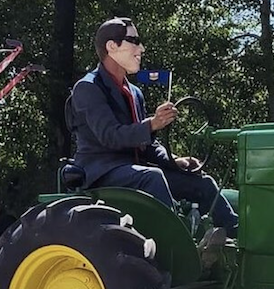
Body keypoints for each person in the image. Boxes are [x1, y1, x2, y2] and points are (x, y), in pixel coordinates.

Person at [67, 17, 238, 238]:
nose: (141, 48)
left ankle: (242, 241)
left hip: (134, 170)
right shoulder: (88, 88)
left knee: (202, 182)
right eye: (134, 41)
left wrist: (175, 160)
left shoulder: (134, 92)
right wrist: (152, 123)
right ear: (112, 46)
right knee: (153, 176)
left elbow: (146, 145)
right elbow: (110, 136)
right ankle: (184, 247)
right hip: (102, 172)